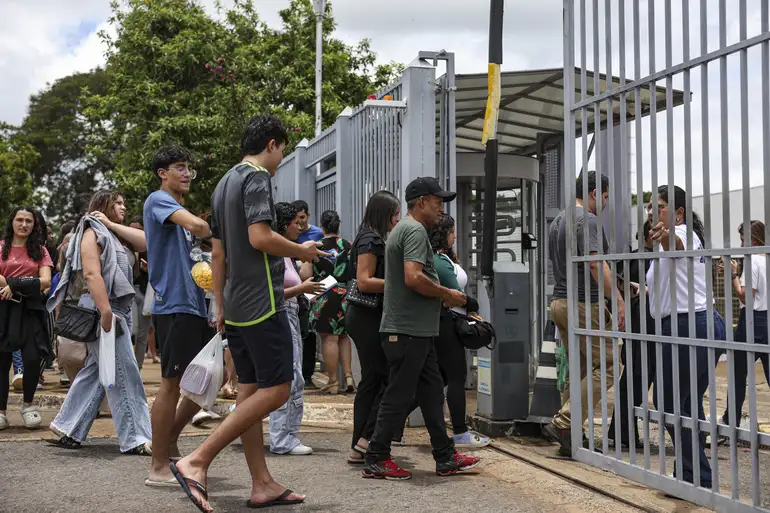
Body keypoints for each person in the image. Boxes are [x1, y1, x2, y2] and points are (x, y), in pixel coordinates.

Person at [170, 115, 326, 512]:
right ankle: (197, 459)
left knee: (250, 393)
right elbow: (260, 237)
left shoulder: (224, 183)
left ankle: (262, 484)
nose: (281, 157)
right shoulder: (257, 177)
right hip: (264, 302)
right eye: (283, 148)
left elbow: (217, 252)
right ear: (272, 144)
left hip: (236, 305)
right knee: (277, 389)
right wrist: (303, 251)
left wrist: (220, 305)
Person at [363, 176, 480, 481]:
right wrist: (447, 294)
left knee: (430, 394)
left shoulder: (407, 229)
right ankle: (376, 457)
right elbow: (413, 278)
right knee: (398, 395)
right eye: (437, 201)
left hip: (417, 331)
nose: (441, 208)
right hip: (407, 331)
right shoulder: (414, 230)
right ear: (421, 202)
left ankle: (444, 456)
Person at [46, 191, 152, 454]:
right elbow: (91, 273)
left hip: (117, 309)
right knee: (124, 375)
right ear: (102, 205)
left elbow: (146, 242)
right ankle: (137, 436)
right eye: (117, 202)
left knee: (97, 372)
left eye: (124, 202)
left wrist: (112, 223)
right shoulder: (91, 231)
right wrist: (105, 311)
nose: (123, 206)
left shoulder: (113, 233)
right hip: (105, 308)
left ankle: (68, 426)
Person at [647, 185, 726, 488]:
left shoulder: (684, 233)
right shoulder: (663, 247)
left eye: (660, 206)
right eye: (650, 207)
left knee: (667, 402)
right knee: (688, 404)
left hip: (689, 326)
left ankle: (698, 476)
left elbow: (676, 243)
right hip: (693, 323)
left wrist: (665, 234)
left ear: (679, 213)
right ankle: (690, 476)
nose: (653, 212)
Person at [542, 170, 626, 457]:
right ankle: (564, 421)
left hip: (560, 302)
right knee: (610, 365)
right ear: (593, 193)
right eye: (604, 197)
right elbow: (594, 263)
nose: (604, 204)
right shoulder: (586, 220)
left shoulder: (559, 221)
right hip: (582, 304)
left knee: (578, 369)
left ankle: (571, 434)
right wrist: (616, 298)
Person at [144, 145, 213, 487]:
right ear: (163, 173)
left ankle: (169, 442)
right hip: (173, 305)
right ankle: (157, 466)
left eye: (189, 168)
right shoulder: (159, 201)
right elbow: (199, 226)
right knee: (170, 386)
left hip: (192, 305)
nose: (186, 173)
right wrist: (211, 229)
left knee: (204, 382)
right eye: (180, 167)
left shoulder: (174, 208)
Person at [346, 191, 401, 464]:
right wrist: (399, 281)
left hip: (366, 316)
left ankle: (361, 442)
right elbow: (365, 281)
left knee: (373, 379)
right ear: (383, 214)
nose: (397, 219)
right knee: (381, 376)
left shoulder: (370, 236)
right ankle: (364, 439)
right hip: (366, 315)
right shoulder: (370, 239)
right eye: (394, 214)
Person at [268, 202, 325, 455]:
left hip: (290, 313)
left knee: (294, 376)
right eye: (295, 222)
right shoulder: (275, 253)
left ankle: (287, 434)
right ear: (284, 225)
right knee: (290, 377)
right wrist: (301, 289)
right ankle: (283, 437)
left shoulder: (286, 252)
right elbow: (271, 293)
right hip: (282, 314)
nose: (300, 226)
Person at [430, 214, 490, 448]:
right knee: (455, 377)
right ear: (442, 233)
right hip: (447, 324)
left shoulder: (444, 257)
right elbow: (454, 293)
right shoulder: (439, 260)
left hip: (450, 319)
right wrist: (471, 305)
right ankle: (460, 433)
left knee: (438, 379)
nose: (455, 234)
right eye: (452, 231)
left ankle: (393, 426)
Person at [0, 206, 53, 430]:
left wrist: (13, 285)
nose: (23, 224)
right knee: (2, 361)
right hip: (3, 309)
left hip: (31, 310)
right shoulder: (1, 247)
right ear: (11, 222)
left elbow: (46, 281)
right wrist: (26, 284)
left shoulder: (40, 251)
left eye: (29, 221)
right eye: (19, 220)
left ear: (34, 225)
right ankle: (1, 412)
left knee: (32, 358)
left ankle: (28, 405)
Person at [608, 220, 656, 449]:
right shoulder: (650, 259)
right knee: (638, 380)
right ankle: (623, 431)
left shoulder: (628, 259)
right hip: (648, 325)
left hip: (631, 324)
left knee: (632, 378)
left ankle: (621, 431)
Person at [719, 220, 769, 436]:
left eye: (743, 239)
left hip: (752, 321)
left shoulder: (753, 261)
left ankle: (732, 421)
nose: (741, 245)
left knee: (738, 373)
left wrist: (733, 275)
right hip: (767, 320)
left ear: (753, 239)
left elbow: (745, 296)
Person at [301, 210, 355, 394]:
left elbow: (306, 275)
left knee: (329, 338)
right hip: (343, 292)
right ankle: (348, 376)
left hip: (323, 293)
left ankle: (332, 380)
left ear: (322, 227)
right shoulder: (348, 245)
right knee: (343, 336)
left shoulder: (315, 246)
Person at [293, 199, 323, 389]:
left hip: (311, 288)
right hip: (294, 288)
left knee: (309, 333)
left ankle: (308, 374)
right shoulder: (290, 235)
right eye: (296, 219)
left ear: (308, 216)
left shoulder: (318, 234)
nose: (300, 223)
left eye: (302, 218)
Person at [127, 216, 154, 369]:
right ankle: (129, 366)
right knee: (132, 331)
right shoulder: (124, 249)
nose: (135, 232)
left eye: (138, 229)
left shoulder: (149, 248)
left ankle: (138, 366)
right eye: (132, 229)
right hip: (130, 293)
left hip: (145, 293)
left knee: (144, 332)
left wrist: (148, 269)